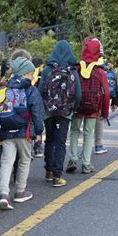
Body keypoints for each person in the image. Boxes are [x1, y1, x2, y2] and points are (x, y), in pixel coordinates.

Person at [0, 57, 44, 210]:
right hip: (24, 131)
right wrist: (38, 132)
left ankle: (4, 194)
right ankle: (20, 192)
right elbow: (37, 112)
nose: (32, 77)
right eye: (31, 74)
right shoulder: (30, 89)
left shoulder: (6, 89)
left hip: (6, 130)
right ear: (24, 74)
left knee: (6, 161)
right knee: (24, 159)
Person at [39, 40, 81, 186]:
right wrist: (73, 108)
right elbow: (78, 94)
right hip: (65, 111)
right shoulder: (73, 71)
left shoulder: (46, 70)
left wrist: (44, 107)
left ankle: (48, 171)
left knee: (49, 140)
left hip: (48, 111)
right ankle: (58, 176)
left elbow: (40, 91)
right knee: (60, 142)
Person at [66, 38, 110, 174]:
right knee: (88, 134)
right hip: (93, 108)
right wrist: (104, 113)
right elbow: (106, 94)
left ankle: (72, 159)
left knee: (74, 132)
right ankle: (86, 164)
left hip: (77, 106)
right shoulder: (99, 72)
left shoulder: (76, 69)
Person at [94, 60, 118, 155]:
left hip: (88, 98)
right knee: (99, 120)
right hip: (102, 97)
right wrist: (114, 101)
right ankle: (98, 145)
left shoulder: (85, 65)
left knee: (88, 123)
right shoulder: (107, 68)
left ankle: (82, 150)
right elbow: (114, 84)